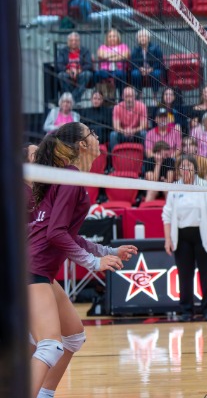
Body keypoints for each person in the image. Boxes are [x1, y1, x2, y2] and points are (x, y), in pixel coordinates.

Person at [28, 122, 137, 398]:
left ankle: (44, 394)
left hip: (38, 268)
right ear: (82, 145)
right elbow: (55, 234)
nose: (98, 135)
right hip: (32, 268)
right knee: (50, 344)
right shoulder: (69, 177)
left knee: (73, 336)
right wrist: (93, 263)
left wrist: (107, 252)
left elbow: (67, 235)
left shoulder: (68, 177)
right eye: (91, 133)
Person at [162, 155, 207, 322]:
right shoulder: (175, 188)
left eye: (189, 166)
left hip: (204, 235)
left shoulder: (206, 186)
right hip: (182, 237)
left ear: (195, 168)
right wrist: (167, 239)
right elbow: (166, 215)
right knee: (184, 275)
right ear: (178, 170)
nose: (186, 169)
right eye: (182, 166)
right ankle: (186, 311)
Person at [55, 32, 93, 104]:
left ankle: (70, 100)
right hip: (67, 72)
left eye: (76, 40)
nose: (74, 42)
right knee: (61, 75)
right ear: (68, 42)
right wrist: (68, 70)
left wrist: (79, 70)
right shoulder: (63, 51)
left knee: (87, 74)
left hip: (81, 72)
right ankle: (74, 100)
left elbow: (89, 64)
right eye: (71, 40)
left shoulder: (85, 51)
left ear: (79, 42)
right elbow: (59, 64)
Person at [109, 86, 148, 151]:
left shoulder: (142, 106)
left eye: (131, 96)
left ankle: (144, 158)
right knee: (113, 135)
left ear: (135, 96)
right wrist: (125, 131)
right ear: (122, 97)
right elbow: (116, 127)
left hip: (136, 133)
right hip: (122, 133)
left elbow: (143, 125)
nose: (129, 99)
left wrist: (133, 131)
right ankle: (114, 158)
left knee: (144, 133)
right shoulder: (117, 107)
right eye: (127, 96)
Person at [95, 29, 130, 96]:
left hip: (119, 70)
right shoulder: (103, 47)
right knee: (98, 73)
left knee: (120, 74)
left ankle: (121, 97)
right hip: (105, 70)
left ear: (118, 37)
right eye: (110, 36)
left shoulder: (123, 46)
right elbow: (101, 55)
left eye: (114, 36)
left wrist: (108, 56)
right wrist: (117, 54)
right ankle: (104, 97)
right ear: (107, 38)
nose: (112, 38)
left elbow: (124, 56)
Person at [131, 28, 164, 96]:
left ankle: (154, 95)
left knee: (156, 73)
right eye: (140, 37)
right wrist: (140, 68)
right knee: (135, 73)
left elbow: (159, 61)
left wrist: (151, 69)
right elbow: (133, 62)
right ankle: (139, 94)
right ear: (137, 39)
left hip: (154, 69)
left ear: (149, 38)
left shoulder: (156, 48)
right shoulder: (135, 50)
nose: (142, 38)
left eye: (144, 36)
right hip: (140, 69)